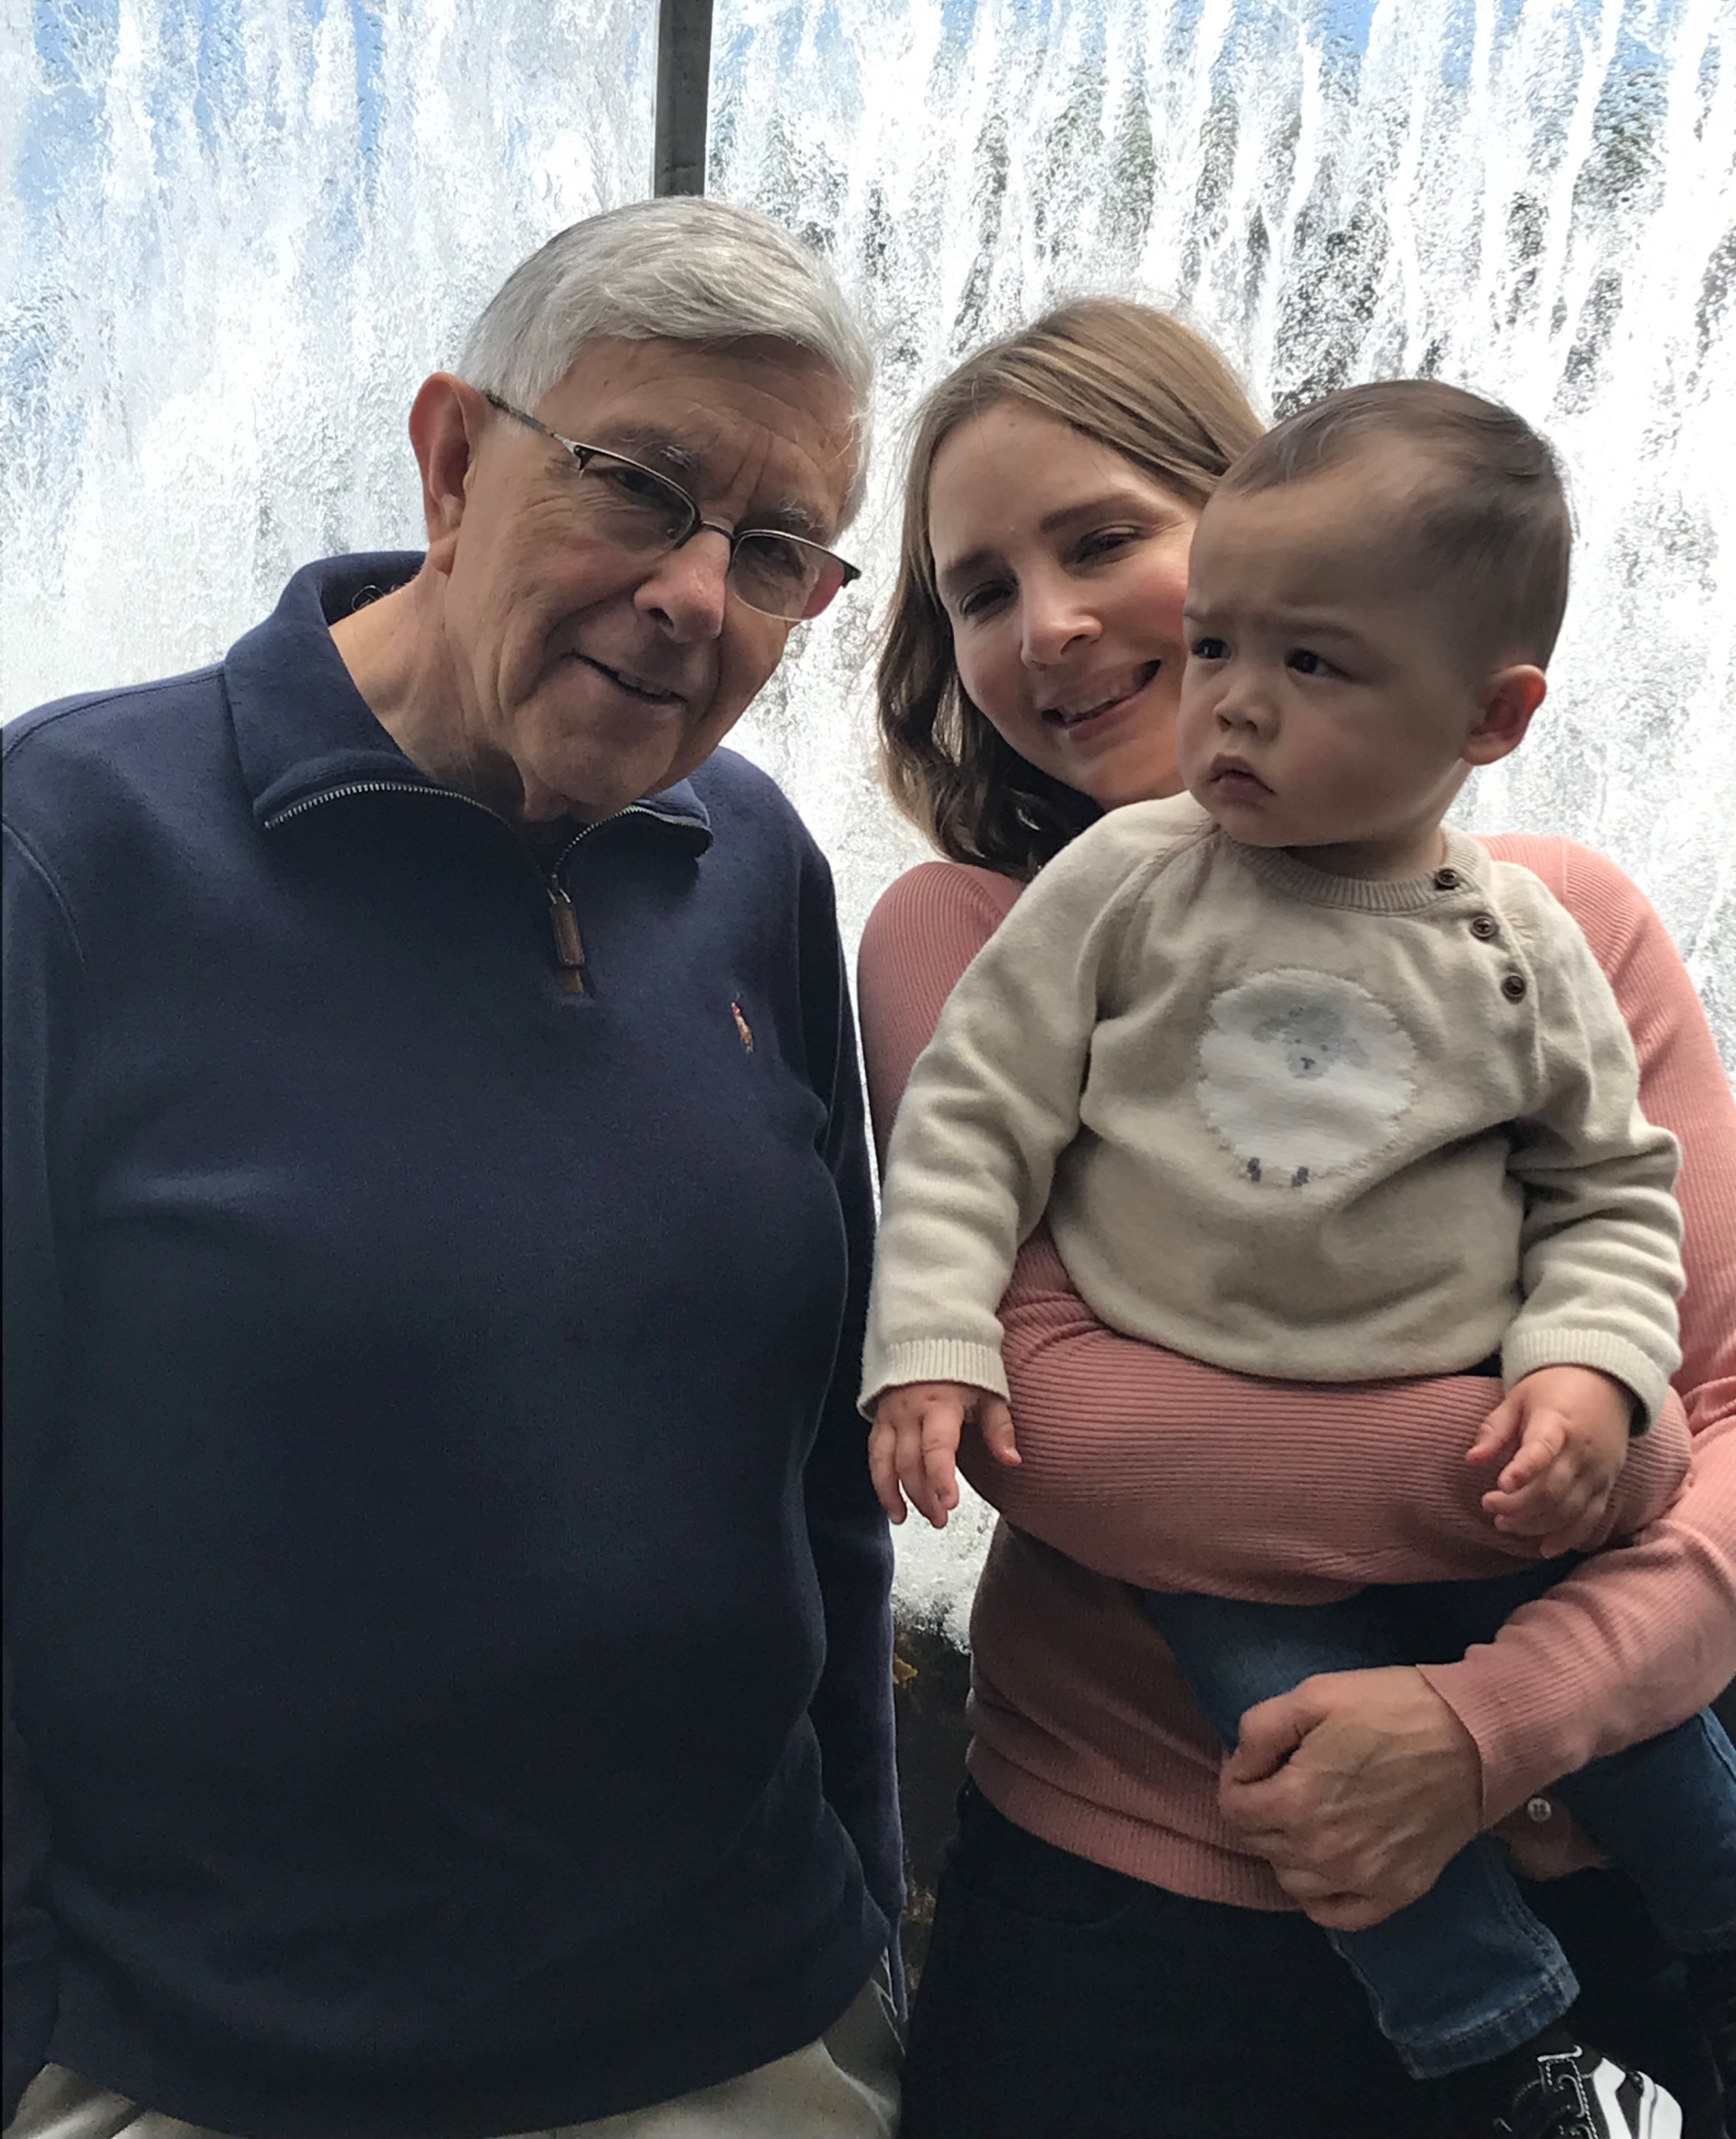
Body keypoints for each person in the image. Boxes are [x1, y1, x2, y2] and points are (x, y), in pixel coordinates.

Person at [2, 199, 902, 2139]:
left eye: (773, 551)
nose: (693, 593)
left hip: (743, 2037)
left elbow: (822, 1461)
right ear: (452, 456)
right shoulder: (68, 847)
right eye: (640, 486)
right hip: (216, 2055)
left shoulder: (756, 867)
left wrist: (863, 1930)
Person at [861, 298, 1736, 2139]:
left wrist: (1504, 1714)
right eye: (981, 588)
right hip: (1123, 1924)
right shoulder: (979, 927)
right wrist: (1604, 1453)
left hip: (1588, 1834)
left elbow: (1703, 1355)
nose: (1051, 625)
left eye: (1102, 540)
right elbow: (1083, 1439)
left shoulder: (1554, 921)